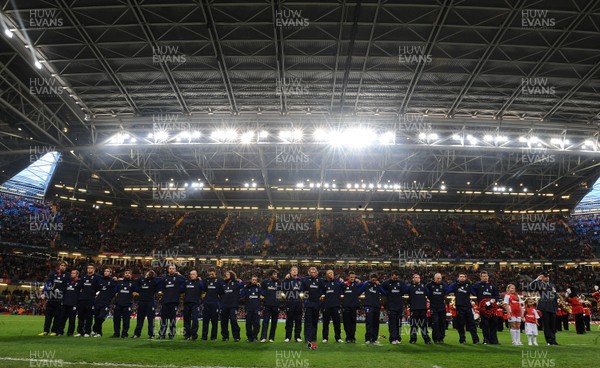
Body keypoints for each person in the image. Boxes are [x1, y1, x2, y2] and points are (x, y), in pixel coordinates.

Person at [447, 273, 480, 344]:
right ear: (458, 278)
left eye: (463, 277)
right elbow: (447, 290)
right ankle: (462, 340)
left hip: (468, 307)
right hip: (459, 307)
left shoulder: (468, 285)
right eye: (460, 277)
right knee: (461, 324)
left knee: (472, 324)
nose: (462, 278)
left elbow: (474, 293)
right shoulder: (455, 285)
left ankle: (475, 340)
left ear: (465, 278)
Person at [39, 261, 69, 336]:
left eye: (64, 266)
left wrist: (61, 291)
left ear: (66, 267)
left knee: (57, 316)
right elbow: (48, 283)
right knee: (48, 316)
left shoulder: (67, 276)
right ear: (59, 266)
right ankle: (46, 331)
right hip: (51, 297)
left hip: (59, 299)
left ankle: (54, 331)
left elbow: (67, 287)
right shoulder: (53, 274)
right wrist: (43, 293)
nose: (63, 267)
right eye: (61, 265)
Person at [528, 271, 558, 345]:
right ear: (542, 277)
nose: (547, 277)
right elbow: (530, 288)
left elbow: (555, 297)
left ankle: (553, 339)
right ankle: (549, 340)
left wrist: (556, 306)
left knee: (553, 324)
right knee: (547, 324)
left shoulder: (552, 285)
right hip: (545, 307)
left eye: (548, 276)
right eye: (545, 276)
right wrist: (536, 279)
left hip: (552, 306)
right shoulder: (539, 284)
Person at [157, 264, 185, 339]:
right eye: (170, 268)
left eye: (173, 268)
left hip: (174, 302)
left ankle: (171, 334)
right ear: (168, 269)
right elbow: (161, 288)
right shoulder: (164, 278)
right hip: (165, 301)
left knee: (172, 320)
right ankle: (162, 334)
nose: (171, 270)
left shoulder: (178, 278)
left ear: (175, 270)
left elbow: (185, 282)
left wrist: (181, 275)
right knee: (163, 320)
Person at [471, 271, 500, 344]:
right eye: (483, 276)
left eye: (486, 276)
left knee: (494, 324)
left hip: (492, 308)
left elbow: (496, 295)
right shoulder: (477, 285)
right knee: (485, 325)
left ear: (488, 277)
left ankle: (494, 340)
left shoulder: (491, 285)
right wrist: (477, 295)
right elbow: (471, 289)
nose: (485, 277)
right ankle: (486, 340)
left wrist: (494, 299)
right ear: (480, 277)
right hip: (483, 308)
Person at [299, 267, 323, 349]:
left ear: (317, 273)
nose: (313, 273)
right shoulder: (305, 280)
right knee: (308, 321)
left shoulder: (320, 281)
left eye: (315, 271)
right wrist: (306, 299)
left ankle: (313, 338)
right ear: (309, 272)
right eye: (311, 271)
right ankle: (307, 338)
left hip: (316, 304)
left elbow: (323, 289)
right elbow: (301, 290)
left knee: (314, 321)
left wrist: (319, 296)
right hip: (308, 304)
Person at [133, 270, 160, 339]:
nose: (147, 274)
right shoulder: (141, 280)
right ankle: (137, 334)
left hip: (150, 302)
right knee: (139, 319)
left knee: (151, 319)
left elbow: (159, 281)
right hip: (142, 301)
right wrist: (138, 290)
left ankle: (151, 334)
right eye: (147, 273)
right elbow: (135, 282)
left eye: (149, 273)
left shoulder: (154, 281)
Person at [359, 273, 385, 346]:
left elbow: (385, 293)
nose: (373, 280)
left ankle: (374, 339)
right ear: (370, 278)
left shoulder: (377, 286)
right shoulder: (366, 284)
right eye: (372, 279)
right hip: (368, 306)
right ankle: (368, 339)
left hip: (377, 306)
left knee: (376, 323)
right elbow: (359, 291)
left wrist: (379, 285)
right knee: (369, 323)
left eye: (375, 279)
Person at [406, 273, 431, 344]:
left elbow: (429, 294)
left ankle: (427, 339)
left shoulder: (423, 287)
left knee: (424, 325)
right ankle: (413, 339)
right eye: (416, 277)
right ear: (413, 279)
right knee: (414, 325)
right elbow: (403, 291)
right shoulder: (410, 287)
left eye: (418, 277)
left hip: (423, 309)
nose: (417, 278)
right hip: (414, 309)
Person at [76, 264, 100, 337]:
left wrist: (95, 294)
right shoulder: (83, 277)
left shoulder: (97, 278)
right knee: (80, 316)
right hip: (82, 299)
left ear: (94, 269)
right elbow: (78, 287)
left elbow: (98, 288)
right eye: (88, 268)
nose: (89, 269)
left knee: (89, 316)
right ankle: (80, 331)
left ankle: (87, 332)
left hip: (91, 299)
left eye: (91, 268)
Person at [92, 267, 117, 337]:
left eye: (108, 271)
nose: (106, 272)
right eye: (105, 271)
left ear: (110, 273)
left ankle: (96, 330)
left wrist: (110, 297)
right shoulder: (100, 280)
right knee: (96, 317)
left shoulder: (112, 281)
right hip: (98, 301)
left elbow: (115, 290)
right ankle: (97, 332)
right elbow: (96, 289)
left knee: (101, 317)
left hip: (106, 302)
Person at [320, 270, 344, 343]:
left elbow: (344, 287)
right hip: (326, 306)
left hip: (335, 306)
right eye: (329, 273)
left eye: (332, 273)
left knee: (337, 323)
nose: (331, 274)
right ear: (327, 275)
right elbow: (321, 293)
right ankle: (325, 338)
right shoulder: (323, 283)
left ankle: (338, 338)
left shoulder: (337, 282)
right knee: (325, 323)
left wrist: (342, 281)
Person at [200, 269, 224, 341]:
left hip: (215, 303)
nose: (211, 275)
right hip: (207, 303)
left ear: (215, 273)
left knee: (214, 322)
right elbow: (203, 288)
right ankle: (204, 337)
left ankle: (213, 337)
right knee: (205, 321)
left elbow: (222, 291)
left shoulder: (219, 280)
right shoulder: (206, 280)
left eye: (212, 274)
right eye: (209, 274)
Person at [382, 270, 405, 345]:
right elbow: (381, 289)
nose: (395, 279)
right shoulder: (386, 283)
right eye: (394, 277)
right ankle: (392, 338)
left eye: (396, 277)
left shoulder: (401, 283)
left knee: (398, 323)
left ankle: (398, 338)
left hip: (399, 306)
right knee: (392, 323)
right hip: (391, 306)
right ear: (391, 275)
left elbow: (404, 291)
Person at [112, 269, 136, 338]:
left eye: (128, 273)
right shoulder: (119, 282)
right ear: (124, 274)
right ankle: (116, 333)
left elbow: (138, 289)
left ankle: (124, 334)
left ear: (131, 275)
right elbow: (114, 291)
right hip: (118, 303)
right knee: (116, 320)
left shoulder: (133, 283)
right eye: (126, 273)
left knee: (126, 320)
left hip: (127, 304)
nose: (127, 274)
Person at [221, 270, 244, 342]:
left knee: (233, 320)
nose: (226, 275)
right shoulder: (223, 283)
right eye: (226, 274)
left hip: (233, 306)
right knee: (223, 322)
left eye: (227, 274)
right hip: (224, 305)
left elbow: (244, 284)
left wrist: (240, 281)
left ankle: (236, 337)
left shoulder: (236, 283)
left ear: (231, 275)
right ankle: (225, 337)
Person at [281, 266, 303, 343]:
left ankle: (297, 337)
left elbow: (304, 289)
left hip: (298, 303)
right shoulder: (287, 280)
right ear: (290, 272)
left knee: (298, 320)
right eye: (293, 270)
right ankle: (288, 337)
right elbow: (282, 288)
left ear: (297, 272)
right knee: (289, 320)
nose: (294, 271)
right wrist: (285, 279)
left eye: (296, 270)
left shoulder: (300, 280)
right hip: (289, 302)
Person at [425, 272, 447, 344]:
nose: (439, 280)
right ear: (434, 278)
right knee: (435, 323)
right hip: (434, 308)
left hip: (442, 307)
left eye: (440, 278)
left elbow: (447, 292)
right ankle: (435, 338)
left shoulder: (444, 285)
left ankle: (441, 338)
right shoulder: (429, 285)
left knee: (442, 323)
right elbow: (424, 290)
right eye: (437, 278)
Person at [260, 270, 281, 343]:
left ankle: (271, 338)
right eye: (274, 274)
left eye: (276, 274)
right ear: (270, 275)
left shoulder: (279, 283)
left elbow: (279, 293)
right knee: (265, 322)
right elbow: (260, 289)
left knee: (274, 322)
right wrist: (264, 295)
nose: (276, 276)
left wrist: (278, 302)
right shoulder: (265, 282)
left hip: (275, 305)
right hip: (267, 305)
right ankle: (263, 337)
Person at [58, 269, 81, 337]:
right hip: (65, 303)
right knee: (62, 319)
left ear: (77, 275)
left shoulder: (80, 283)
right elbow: (63, 291)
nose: (72, 274)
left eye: (74, 273)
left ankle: (70, 333)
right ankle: (60, 332)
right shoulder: (68, 282)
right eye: (71, 273)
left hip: (73, 304)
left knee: (72, 320)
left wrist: (77, 304)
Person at [341, 271, 361, 344]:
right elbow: (339, 286)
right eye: (351, 277)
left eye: (354, 277)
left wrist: (360, 281)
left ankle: (352, 337)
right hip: (346, 307)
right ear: (348, 277)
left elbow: (364, 285)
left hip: (353, 307)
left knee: (353, 323)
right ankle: (348, 337)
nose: (352, 278)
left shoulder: (357, 285)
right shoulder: (344, 285)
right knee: (346, 323)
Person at [183, 270, 202, 340]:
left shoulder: (199, 283)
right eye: (191, 274)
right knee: (186, 320)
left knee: (195, 320)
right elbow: (181, 289)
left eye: (193, 274)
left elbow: (204, 288)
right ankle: (186, 335)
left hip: (195, 304)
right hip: (187, 303)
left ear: (197, 275)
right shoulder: (187, 282)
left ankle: (194, 335)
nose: (192, 275)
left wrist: (201, 281)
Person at [241, 276, 261, 342]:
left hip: (257, 309)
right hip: (248, 309)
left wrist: (260, 287)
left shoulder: (258, 288)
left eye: (255, 280)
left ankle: (255, 337)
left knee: (257, 324)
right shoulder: (247, 288)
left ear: (257, 281)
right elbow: (241, 294)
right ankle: (249, 338)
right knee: (248, 324)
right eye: (253, 280)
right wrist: (245, 287)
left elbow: (264, 293)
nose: (254, 281)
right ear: (251, 280)